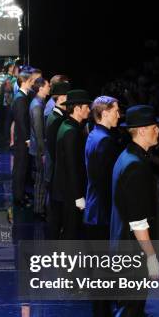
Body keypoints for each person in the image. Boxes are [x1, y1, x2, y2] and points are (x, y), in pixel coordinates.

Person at [109, 105, 159, 317]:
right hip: (131, 254)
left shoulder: (126, 158)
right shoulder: (135, 165)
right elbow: (138, 220)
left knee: (126, 316)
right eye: (154, 126)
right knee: (128, 316)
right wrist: (151, 257)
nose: (158, 130)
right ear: (141, 129)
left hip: (123, 249)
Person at [84, 96, 121, 317]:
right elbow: (105, 182)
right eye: (116, 110)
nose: (119, 114)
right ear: (104, 113)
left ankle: (102, 316)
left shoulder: (93, 135)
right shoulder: (105, 141)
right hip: (102, 212)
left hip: (94, 208)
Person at [48, 89, 91, 240]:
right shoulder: (72, 131)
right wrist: (78, 195)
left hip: (64, 189)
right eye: (86, 106)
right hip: (70, 192)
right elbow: (72, 166)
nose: (89, 109)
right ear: (78, 108)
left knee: (67, 229)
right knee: (70, 230)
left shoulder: (66, 125)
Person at [28, 78, 50, 217]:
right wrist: (42, 152)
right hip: (38, 149)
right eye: (47, 86)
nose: (49, 88)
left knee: (40, 180)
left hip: (37, 148)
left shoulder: (38, 103)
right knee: (40, 180)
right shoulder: (37, 105)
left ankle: (39, 208)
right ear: (41, 88)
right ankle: (39, 209)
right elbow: (38, 130)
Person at [11, 70, 33, 207]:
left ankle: (20, 195)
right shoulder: (20, 98)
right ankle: (18, 198)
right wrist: (27, 138)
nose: (32, 84)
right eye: (30, 81)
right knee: (20, 168)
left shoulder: (21, 97)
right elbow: (21, 120)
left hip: (21, 139)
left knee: (21, 168)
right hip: (21, 141)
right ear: (24, 82)